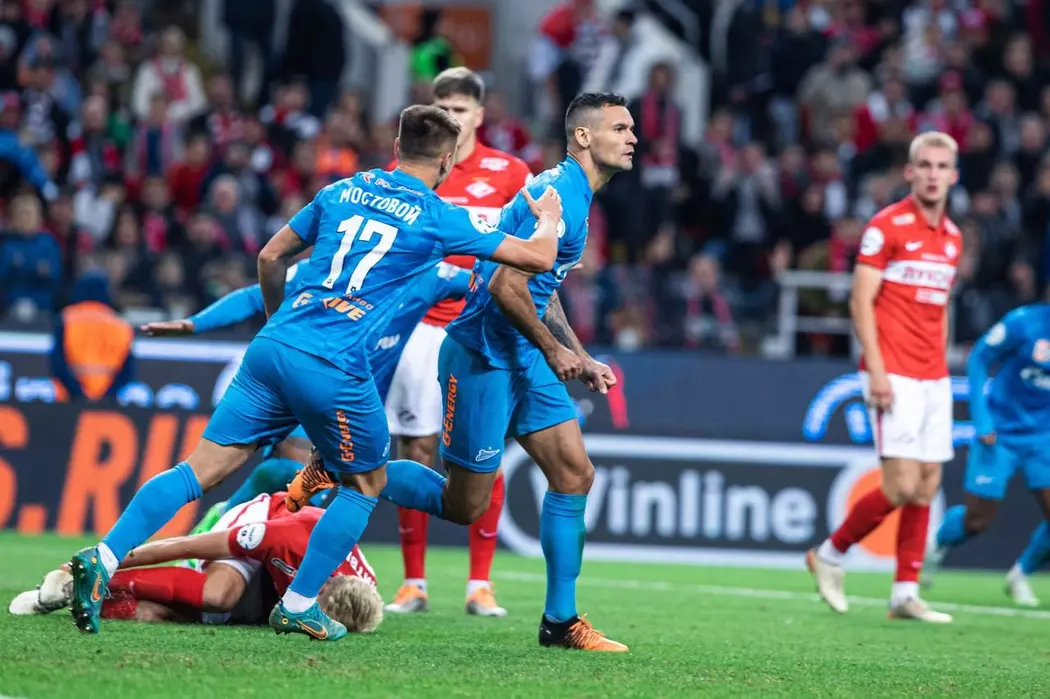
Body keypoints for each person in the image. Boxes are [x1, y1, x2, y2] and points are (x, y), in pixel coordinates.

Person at [67, 103, 564, 640]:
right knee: (366, 481)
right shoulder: (439, 216)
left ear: (397, 148)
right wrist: (548, 219)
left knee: (196, 471)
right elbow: (536, 260)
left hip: (273, 347)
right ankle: (299, 603)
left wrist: (277, 320)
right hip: (336, 363)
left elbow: (268, 257)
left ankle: (104, 557)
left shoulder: (341, 191)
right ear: (447, 162)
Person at [295, 92, 637, 651]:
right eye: (620, 128)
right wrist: (555, 351)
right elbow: (505, 286)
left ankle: (560, 621)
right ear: (583, 136)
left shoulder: (571, 194)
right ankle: (342, 466)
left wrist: (578, 352)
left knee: (575, 474)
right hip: (481, 355)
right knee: (464, 505)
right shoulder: (561, 196)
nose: (632, 138)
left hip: (524, 354)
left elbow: (543, 288)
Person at [142, 258, 471, 526]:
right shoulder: (329, 266)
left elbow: (482, 286)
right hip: (311, 385)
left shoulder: (427, 275)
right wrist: (195, 323)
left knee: (316, 496)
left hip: (358, 405)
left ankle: (241, 535)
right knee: (288, 474)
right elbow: (255, 296)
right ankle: (222, 525)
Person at [385, 67, 533, 618]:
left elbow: (531, 242)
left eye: (461, 109)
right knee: (415, 448)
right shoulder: (411, 170)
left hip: (482, 327)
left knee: (485, 453)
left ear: (479, 114)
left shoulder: (510, 171)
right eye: (443, 107)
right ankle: (413, 583)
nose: (452, 116)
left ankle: (480, 585)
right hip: (420, 326)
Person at [806, 131, 962, 623]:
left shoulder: (953, 238)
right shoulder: (887, 226)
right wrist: (875, 368)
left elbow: (939, 309)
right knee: (899, 484)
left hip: (933, 375)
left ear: (954, 176)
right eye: (925, 166)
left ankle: (904, 594)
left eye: (942, 166)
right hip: (892, 370)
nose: (933, 175)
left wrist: (942, 366)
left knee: (927, 483)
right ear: (910, 172)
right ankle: (829, 554)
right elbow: (860, 301)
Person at [12, 492, 381, 633]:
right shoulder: (289, 537)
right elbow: (184, 545)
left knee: (161, 614)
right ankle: (86, 576)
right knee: (218, 596)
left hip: (272, 580)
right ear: (322, 584)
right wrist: (101, 561)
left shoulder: (361, 592)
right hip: (264, 520)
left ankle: (78, 597)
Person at [927, 303, 1050, 607]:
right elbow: (979, 357)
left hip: (1044, 437)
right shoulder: (1023, 321)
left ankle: (1020, 574)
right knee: (977, 520)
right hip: (1001, 432)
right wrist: (982, 419)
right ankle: (939, 540)